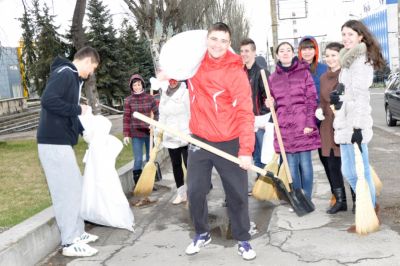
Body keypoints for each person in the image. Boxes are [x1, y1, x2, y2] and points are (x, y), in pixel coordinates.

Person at [184, 22, 256, 261]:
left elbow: (246, 112)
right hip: (200, 139)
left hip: (229, 140)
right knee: (194, 191)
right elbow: (175, 69)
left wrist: (245, 150)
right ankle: (201, 232)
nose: (218, 45)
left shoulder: (235, 72)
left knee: (236, 194)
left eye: (223, 41)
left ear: (229, 44)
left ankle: (243, 238)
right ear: (207, 39)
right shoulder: (194, 64)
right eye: (214, 39)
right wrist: (167, 73)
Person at [37, 46, 100, 257]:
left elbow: (68, 114)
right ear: (86, 61)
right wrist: (78, 109)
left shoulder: (73, 79)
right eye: (92, 67)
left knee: (75, 188)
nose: (91, 73)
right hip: (53, 143)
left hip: (60, 142)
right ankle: (70, 242)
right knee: (66, 193)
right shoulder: (65, 74)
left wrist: (83, 131)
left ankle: (78, 233)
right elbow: (48, 100)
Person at [331, 20, 385, 232]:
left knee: (357, 172)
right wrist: (339, 97)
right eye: (343, 34)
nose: (345, 38)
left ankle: (369, 211)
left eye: (350, 34)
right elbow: (348, 92)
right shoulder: (348, 60)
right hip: (345, 122)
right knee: (352, 171)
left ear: (360, 37)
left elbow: (362, 98)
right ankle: (370, 207)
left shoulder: (361, 62)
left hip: (355, 124)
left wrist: (357, 128)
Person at [267, 42, 321, 201]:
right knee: (291, 166)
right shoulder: (272, 78)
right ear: (277, 55)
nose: (285, 53)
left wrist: (310, 123)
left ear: (293, 53)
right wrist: (270, 103)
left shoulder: (304, 73)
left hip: (303, 124)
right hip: (284, 126)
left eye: (288, 50)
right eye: (281, 51)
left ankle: (307, 198)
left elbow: (312, 99)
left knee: (305, 164)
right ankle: (297, 199)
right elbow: (273, 102)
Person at [298, 36, 334, 205]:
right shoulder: (295, 69)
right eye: (304, 48)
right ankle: (301, 197)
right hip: (302, 121)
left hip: (322, 120)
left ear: (315, 50)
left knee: (326, 158)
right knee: (299, 161)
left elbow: (327, 93)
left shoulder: (323, 69)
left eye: (310, 48)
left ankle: (336, 193)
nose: (307, 51)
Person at [319, 42, 348, 214]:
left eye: (333, 55)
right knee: (332, 164)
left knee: (349, 165)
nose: (330, 59)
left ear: (341, 56)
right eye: (327, 55)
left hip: (343, 123)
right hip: (328, 125)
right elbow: (323, 101)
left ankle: (358, 200)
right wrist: (319, 110)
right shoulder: (323, 77)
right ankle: (340, 200)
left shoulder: (346, 75)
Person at [123, 74, 159, 190]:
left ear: (142, 85)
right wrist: (126, 134)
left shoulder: (150, 98)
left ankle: (149, 183)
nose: (137, 87)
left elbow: (157, 113)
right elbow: (126, 118)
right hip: (136, 134)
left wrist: (154, 124)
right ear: (131, 87)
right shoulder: (128, 100)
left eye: (138, 84)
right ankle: (138, 184)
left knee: (150, 159)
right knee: (138, 159)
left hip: (149, 133)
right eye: (134, 85)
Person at [240, 38, 270, 172]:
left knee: (263, 155)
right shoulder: (240, 73)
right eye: (241, 51)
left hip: (259, 121)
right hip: (246, 121)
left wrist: (260, 118)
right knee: (252, 154)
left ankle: (265, 184)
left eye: (247, 51)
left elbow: (269, 98)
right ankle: (259, 183)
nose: (244, 54)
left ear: (254, 52)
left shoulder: (262, 72)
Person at [158, 78, 190, 204]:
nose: (172, 81)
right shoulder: (164, 95)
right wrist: (158, 131)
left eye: (175, 79)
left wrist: (192, 133)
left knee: (190, 165)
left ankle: (193, 191)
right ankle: (181, 193)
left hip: (185, 135)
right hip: (171, 137)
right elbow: (162, 116)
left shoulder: (185, 93)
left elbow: (191, 113)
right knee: (176, 165)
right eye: (170, 79)